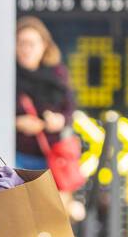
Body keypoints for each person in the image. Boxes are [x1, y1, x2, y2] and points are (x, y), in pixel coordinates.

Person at [15, 15, 84, 219]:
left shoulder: (57, 75)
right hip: (18, 156)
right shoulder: (8, 75)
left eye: (31, 44)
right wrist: (17, 123)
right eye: (21, 43)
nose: (26, 49)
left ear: (44, 45)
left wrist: (58, 120)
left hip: (53, 157)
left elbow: (69, 110)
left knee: (53, 220)